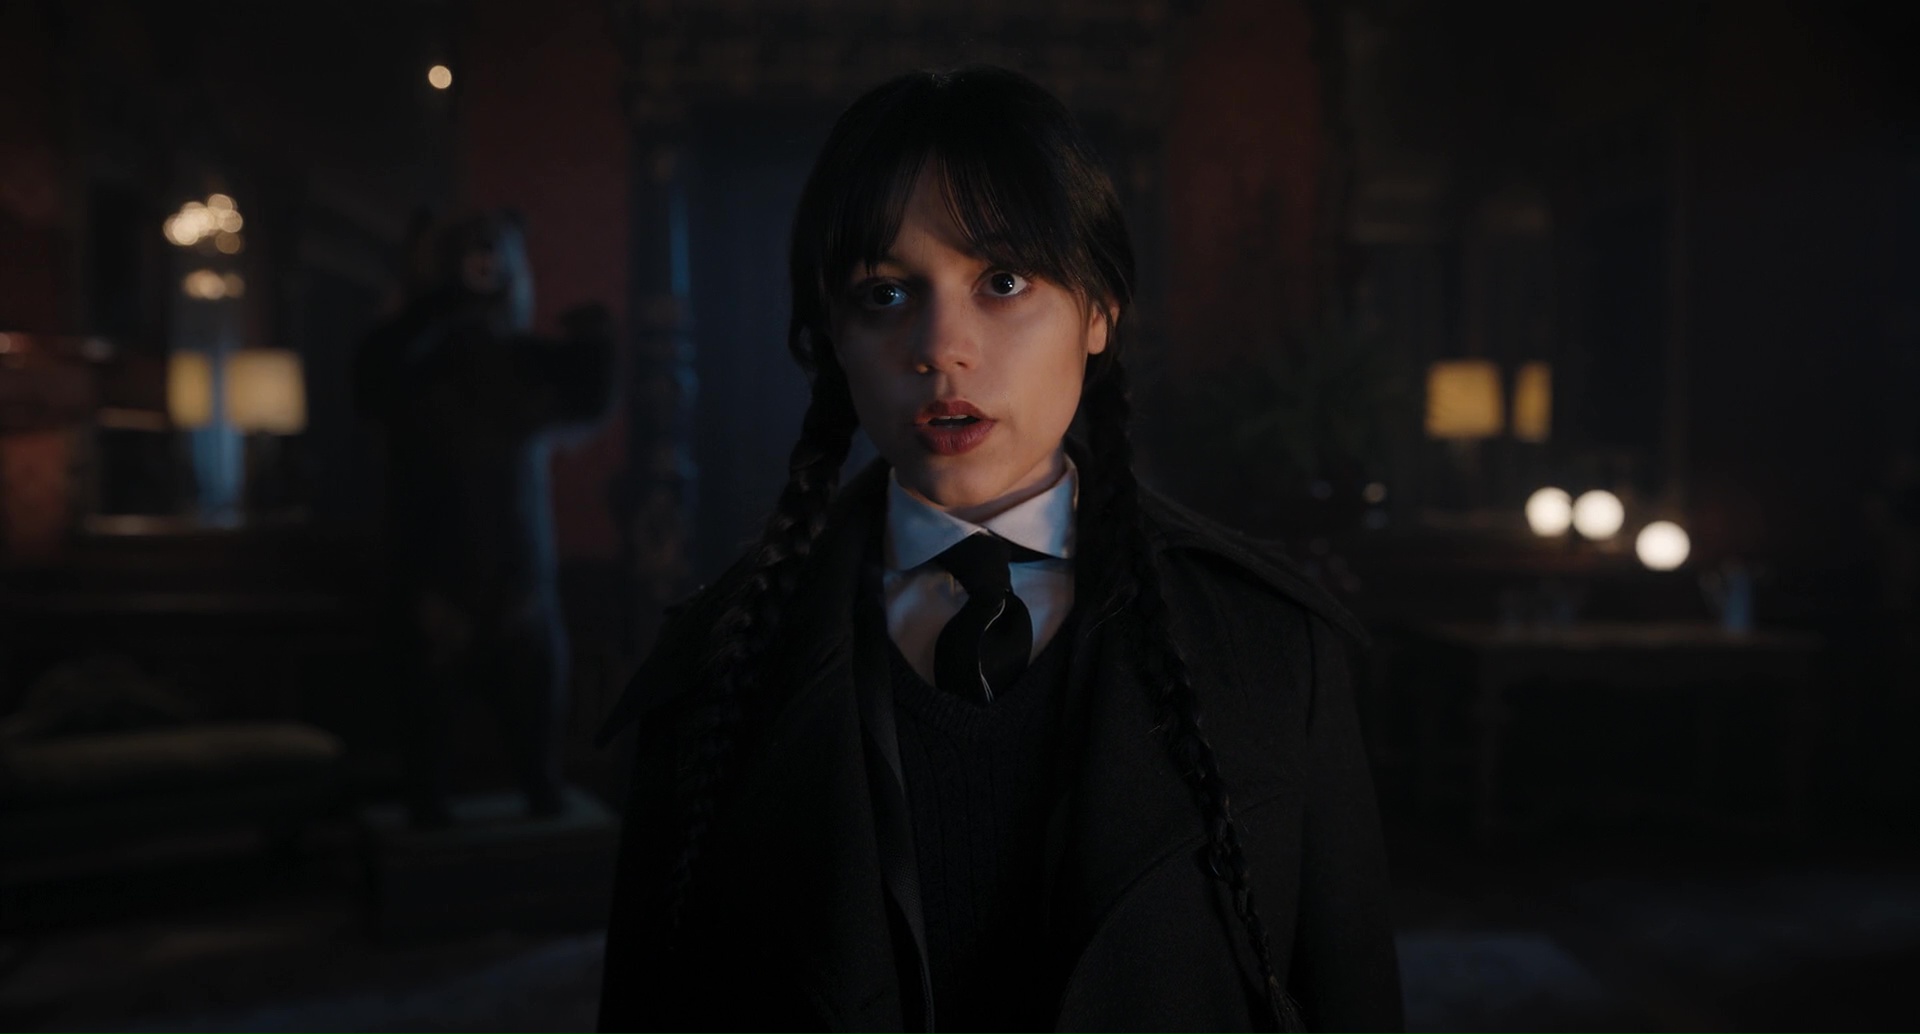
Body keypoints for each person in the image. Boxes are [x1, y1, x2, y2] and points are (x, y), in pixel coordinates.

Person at [595, 65, 1402, 1033]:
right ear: (832, 338)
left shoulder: (1272, 647)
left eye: (1004, 281)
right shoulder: (714, 670)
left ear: (1099, 311)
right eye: (886, 293)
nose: (942, 346)